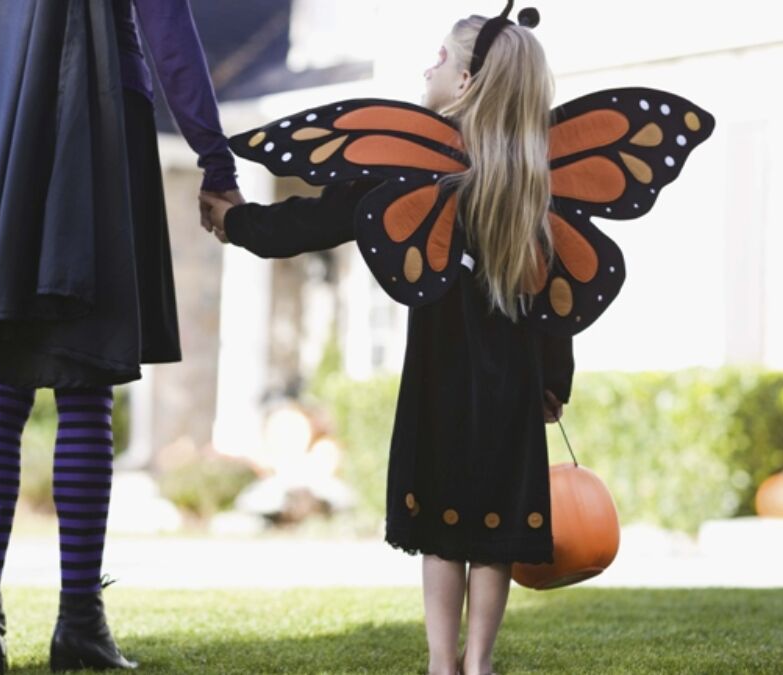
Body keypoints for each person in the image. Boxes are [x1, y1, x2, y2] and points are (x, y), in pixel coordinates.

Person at [0, 0, 241, 672]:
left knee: (1, 384)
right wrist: (216, 163)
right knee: (86, 384)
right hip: (96, 128)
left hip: (2, 136)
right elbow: (167, 29)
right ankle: (79, 621)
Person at [201, 12, 573, 675]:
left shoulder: (413, 162)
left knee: (442, 519)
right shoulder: (533, 178)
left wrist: (240, 223)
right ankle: (480, 661)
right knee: (493, 524)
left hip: (441, 371)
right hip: (513, 381)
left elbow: (317, 216)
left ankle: (441, 662)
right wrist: (553, 380)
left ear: (464, 81)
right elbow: (554, 300)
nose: (426, 69)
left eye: (438, 58)